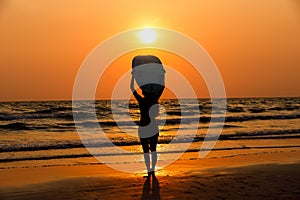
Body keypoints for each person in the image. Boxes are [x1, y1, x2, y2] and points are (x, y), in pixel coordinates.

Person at [130, 57, 164, 177]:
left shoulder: (141, 100)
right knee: (153, 150)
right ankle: (152, 171)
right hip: (153, 126)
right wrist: (162, 75)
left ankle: (149, 170)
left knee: (146, 151)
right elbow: (163, 87)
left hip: (143, 126)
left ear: (143, 91)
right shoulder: (155, 100)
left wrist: (133, 76)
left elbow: (132, 88)